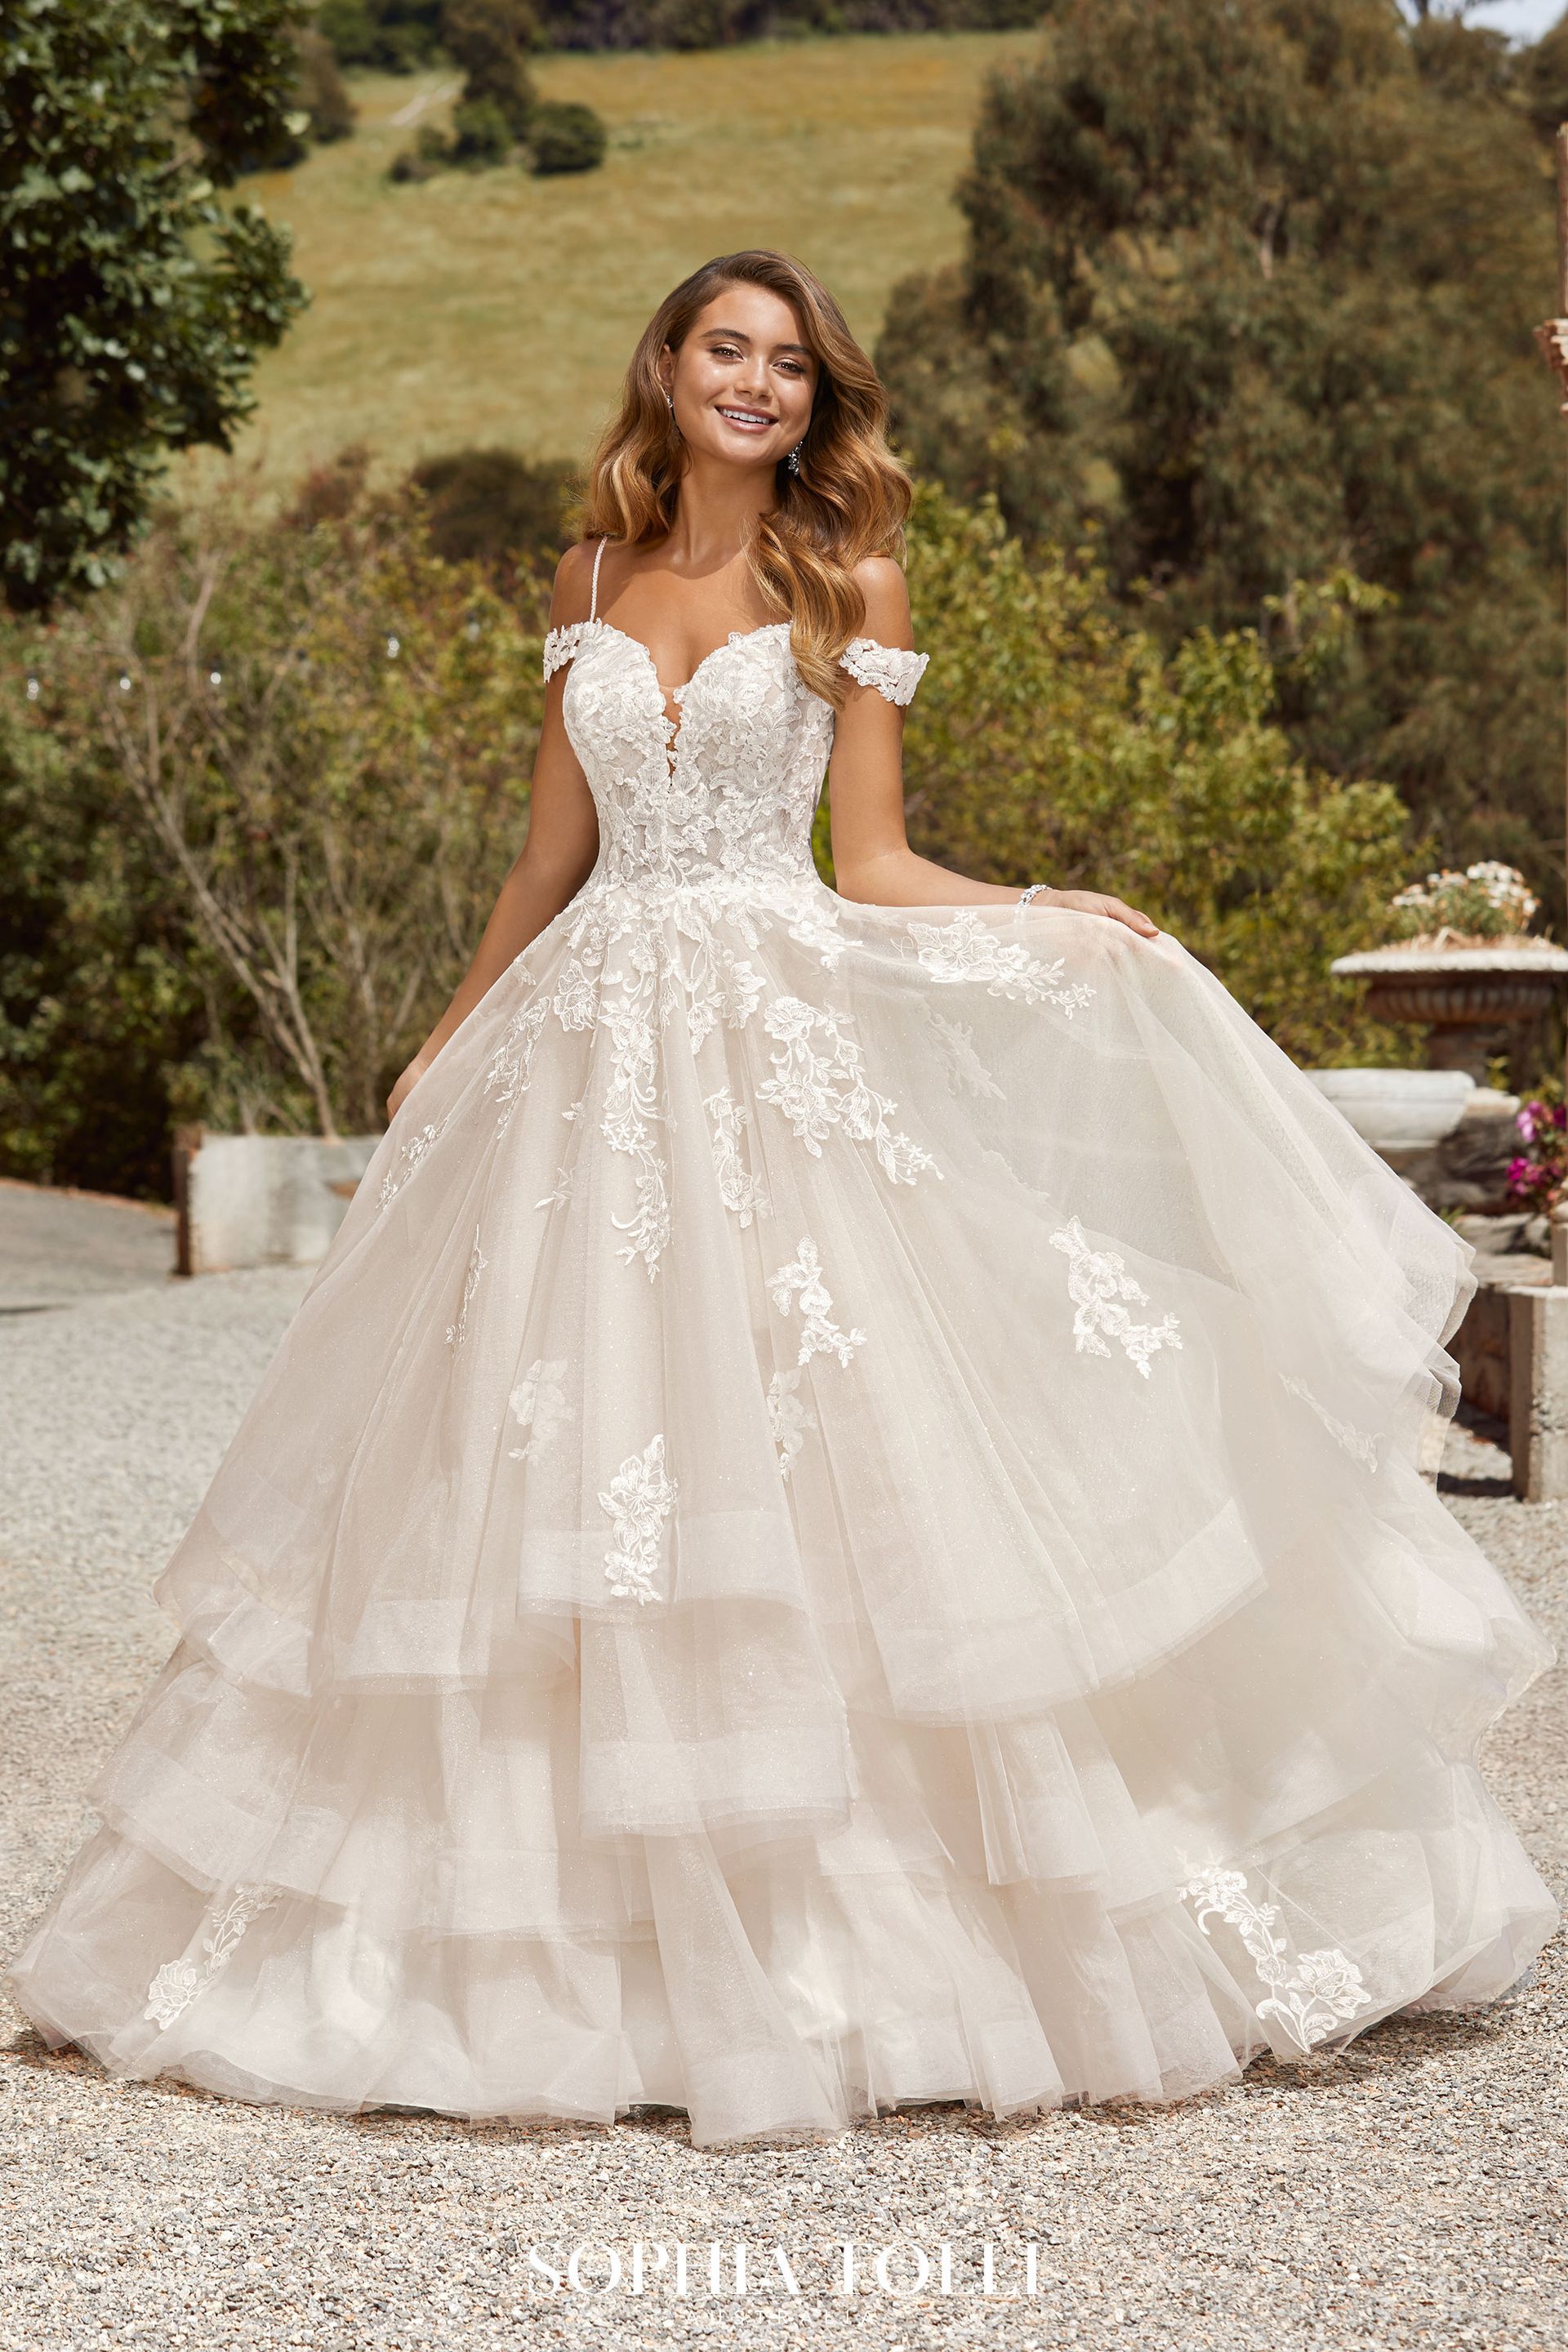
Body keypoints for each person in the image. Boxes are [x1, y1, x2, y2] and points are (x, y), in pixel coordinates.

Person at [8, 250, 1555, 2153]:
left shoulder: (850, 581)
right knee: (541, 1485)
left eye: (792, 367)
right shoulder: (580, 581)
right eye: (726, 351)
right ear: (663, 364)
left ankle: (873, 1960)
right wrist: (441, 1042)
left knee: (842, 1455)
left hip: (769, 1044)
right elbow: (550, 859)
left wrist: (1042, 914)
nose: (758, 385)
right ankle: (557, 1967)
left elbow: (877, 860)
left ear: (821, 402)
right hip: (578, 1069)